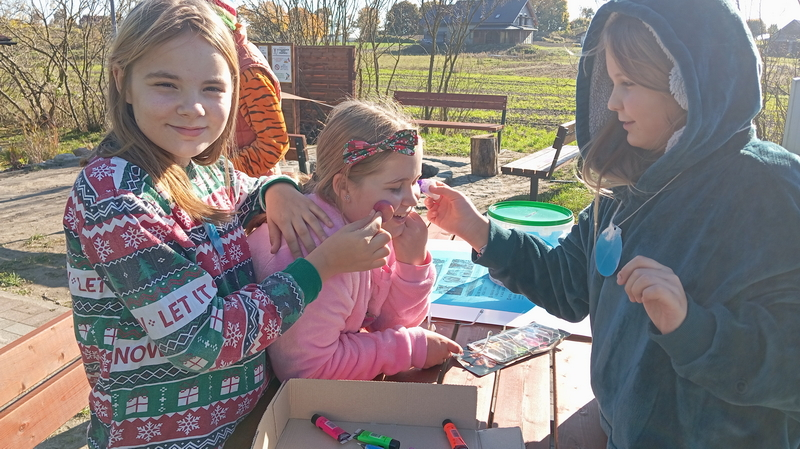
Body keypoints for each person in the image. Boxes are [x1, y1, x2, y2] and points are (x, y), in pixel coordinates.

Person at [424, 0, 800, 447]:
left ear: (687, 86)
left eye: (628, 83)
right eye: (610, 80)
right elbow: (568, 283)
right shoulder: (632, 182)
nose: (611, 101)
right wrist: (477, 229)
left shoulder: (770, 190)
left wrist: (690, 328)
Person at [63, 1, 390, 448]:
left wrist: (276, 189)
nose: (193, 108)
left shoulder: (201, 166)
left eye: (213, 88)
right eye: (166, 84)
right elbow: (202, 341)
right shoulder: (114, 198)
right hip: (168, 438)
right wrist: (320, 268)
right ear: (124, 81)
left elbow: (243, 189)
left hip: (243, 418)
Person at [248, 100, 462, 381]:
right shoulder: (320, 248)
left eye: (415, 182)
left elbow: (388, 323)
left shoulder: (369, 224)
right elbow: (306, 369)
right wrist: (409, 349)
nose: (413, 199)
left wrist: (412, 264)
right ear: (344, 186)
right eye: (395, 187)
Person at [206, 0, 289, 177]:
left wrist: (218, 174)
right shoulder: (223, 59)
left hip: (249, 186)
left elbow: (273, 145)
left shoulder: (248, 71)